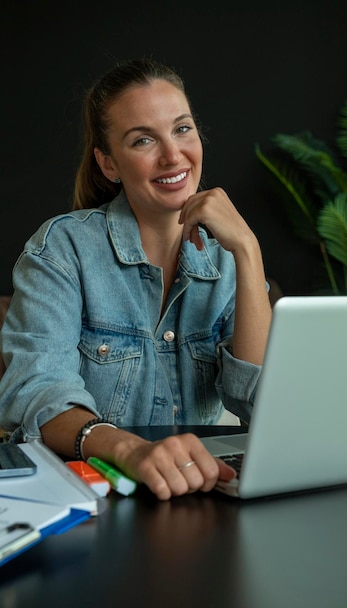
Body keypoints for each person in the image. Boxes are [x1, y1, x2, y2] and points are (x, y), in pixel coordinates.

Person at [0, 58, 272, 500]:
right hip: (96, 498)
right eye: (143, 139)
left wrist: (247, 250)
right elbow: (38, 391)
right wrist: (131, 450)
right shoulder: (62, 249)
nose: (172, 155)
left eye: (182, 129)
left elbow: (261, 401)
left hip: (199, 487)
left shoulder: (227, 256)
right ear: (109, 164)